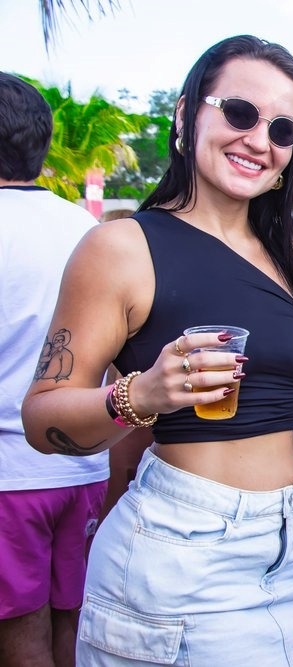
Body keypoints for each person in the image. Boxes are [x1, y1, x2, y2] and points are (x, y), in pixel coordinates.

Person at [21, 36, 293, 666]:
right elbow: (41, 417)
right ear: (187, 114)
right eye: (239, 113)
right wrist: (141, 395)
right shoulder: (122, 248)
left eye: (281, 129)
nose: (259, 140)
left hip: (291, 546)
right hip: (181, 550)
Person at [0, 71, 107, 667]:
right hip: (83, 464)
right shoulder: (86, 229)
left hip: (11, 474)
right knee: (74, 617)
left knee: (17, 630)